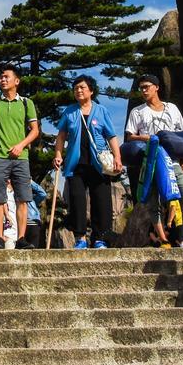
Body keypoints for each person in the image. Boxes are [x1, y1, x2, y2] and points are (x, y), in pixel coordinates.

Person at [125, 75, 183, 248]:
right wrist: (149, 138)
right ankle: (162, 238)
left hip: (173, 160)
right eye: (141, 87)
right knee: (153, 200)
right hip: (150, 160)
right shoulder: (138, 111)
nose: (143, 90)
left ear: (157, 87)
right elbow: (130, 136)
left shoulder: (172, 108)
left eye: (147, 86)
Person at [0, 66, 41, 250]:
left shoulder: (27, 103)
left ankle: (21, 238)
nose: (2, 79)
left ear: (16, 81)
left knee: (23, 198)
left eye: (6, 77)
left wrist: (21, 145)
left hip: (21, 157)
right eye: (1, 77)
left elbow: (35, 130)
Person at [53, 75, 120, 250]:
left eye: (82, 87)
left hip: (99, 163)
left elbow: (111, 136)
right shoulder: (69, 111)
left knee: (102, 201)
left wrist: (117, 157)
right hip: (76, 164)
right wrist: (58, 154)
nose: (78, 90)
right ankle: (80, 237)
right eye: (76, 88)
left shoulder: (101, 111)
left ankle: (100, 238)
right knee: (77, 201)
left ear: (91, 90)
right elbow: (61, 136)